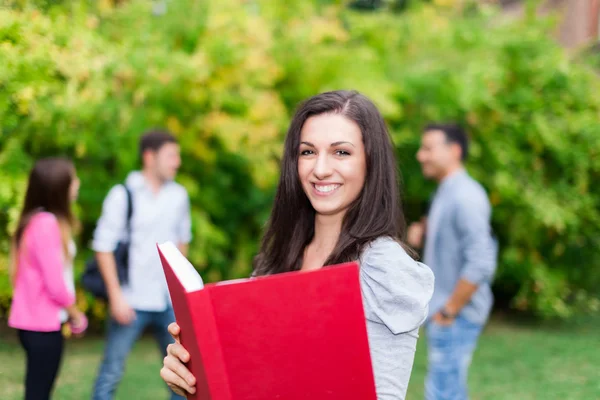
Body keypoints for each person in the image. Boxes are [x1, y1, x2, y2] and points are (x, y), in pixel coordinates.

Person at [159, 90, 435, 399]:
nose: (320, 169)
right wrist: (194, 376)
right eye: (307, 152)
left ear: (371, 162)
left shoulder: (381, 266)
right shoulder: (279, 259)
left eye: (341, 152)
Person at [91, 130, 192, 400]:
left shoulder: (179, 196)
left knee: (184, 374)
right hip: (131, 299)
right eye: (171, 156)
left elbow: (182, 244)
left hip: (168, 300)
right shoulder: (122, 194)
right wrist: (116, 296)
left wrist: (181, 293)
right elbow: (103, 247)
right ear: (150, 157)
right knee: (111, 371)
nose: (177, 162)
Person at [408, 123, 498, 400]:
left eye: (428, 148)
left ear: (454, 150)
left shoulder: (466, 195)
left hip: (455, 314)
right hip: (447, 311)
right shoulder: (445, 191)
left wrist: (449, 311)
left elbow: (481, 261)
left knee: (442, 394)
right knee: (448, 391)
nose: (421, 156)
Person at [8, 157, 87, 400]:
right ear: (58, 187)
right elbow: (55, 284)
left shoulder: (35, 221)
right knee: (38, 393)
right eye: (72, 179)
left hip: (33, 324)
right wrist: (75, 314)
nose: (77, 183)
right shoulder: (46, 224)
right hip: (42, 326)